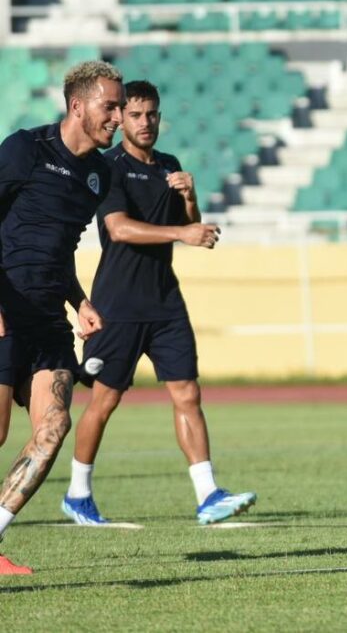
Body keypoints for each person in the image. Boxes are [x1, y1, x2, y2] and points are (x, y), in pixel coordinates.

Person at [61, 80, 256, 528]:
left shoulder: (169, 165)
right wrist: (183, 232)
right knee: (105, 400)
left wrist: (189, 197)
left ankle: (208, 495)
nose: (145, 122)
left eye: (151, 114)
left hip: (166, 301)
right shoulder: (109, 167)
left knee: (188, 393)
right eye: (135, 115)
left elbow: (192, 226)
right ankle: (77, 494)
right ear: (120, 118)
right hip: (119, 304)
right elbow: (119, 228)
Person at [0, 61, 124, 574]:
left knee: (54, 428)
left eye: (120, 107)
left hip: (49, 319)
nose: (118, 117)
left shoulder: (100, 174)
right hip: (6, 311)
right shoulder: (26, 149)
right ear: (77, 105)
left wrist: (80, 301)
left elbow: (61, 247)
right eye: (109, 106)